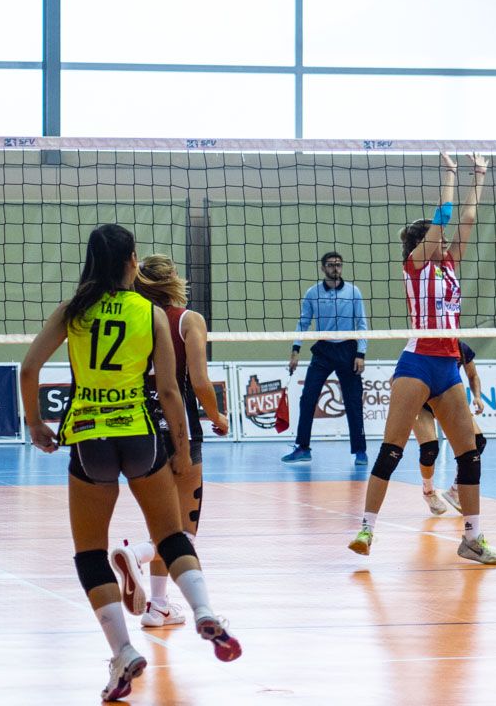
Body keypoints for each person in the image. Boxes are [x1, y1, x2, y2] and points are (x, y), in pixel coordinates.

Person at [18, 224, 240, 702]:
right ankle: (204, 611)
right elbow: (167, 390)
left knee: (90, 554)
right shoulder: (150, 311)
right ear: (131, 261)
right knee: (172, 534)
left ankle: (122, 649)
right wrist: (181, 449)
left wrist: (36, 424)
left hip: (89, 439)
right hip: (140, 433)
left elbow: (29, 368)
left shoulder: (73, 309)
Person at [349, 154, 496, 565]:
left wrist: (480, 176)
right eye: (432, 239)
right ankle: (366, 528)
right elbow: (445, 217)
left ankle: (472, 537)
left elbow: (466, 220)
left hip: (447, 366)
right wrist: (449, 175)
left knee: (469, 453)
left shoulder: (450, 264)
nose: (440, 242)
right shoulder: (414, 266)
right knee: (392, 449)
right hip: (417, 362)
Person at [112, 255, 231, 628]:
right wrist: (217, 417)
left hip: (137, 427)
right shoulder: (187, 320)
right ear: (174, 280)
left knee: (163, 520)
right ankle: (140, 555)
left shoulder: (134, 316)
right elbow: (198, 381)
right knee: (184, 531)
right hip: (179, 428)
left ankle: (158, 606)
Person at [282, 251, 369, 465]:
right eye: (330, 265)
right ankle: (303, 447)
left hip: (348, 350)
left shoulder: (353, 292)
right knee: (308, 398)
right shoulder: (312, 293)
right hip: (323, 350)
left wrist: (361, 353)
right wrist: (295, 351)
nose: (335, 268)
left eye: (338, 265)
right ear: (323, 268)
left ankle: (360, 451)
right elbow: (302, 324)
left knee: (353, 402)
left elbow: (362, 324)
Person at [413, 339, 487, 515]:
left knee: (477, 442)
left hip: (446, 399)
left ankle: (455, 490)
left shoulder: (461, 348)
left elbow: (473, 375)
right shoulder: (421, 345)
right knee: (429, 449)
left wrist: (477, 397)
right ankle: (428, 491)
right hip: (422, 402)